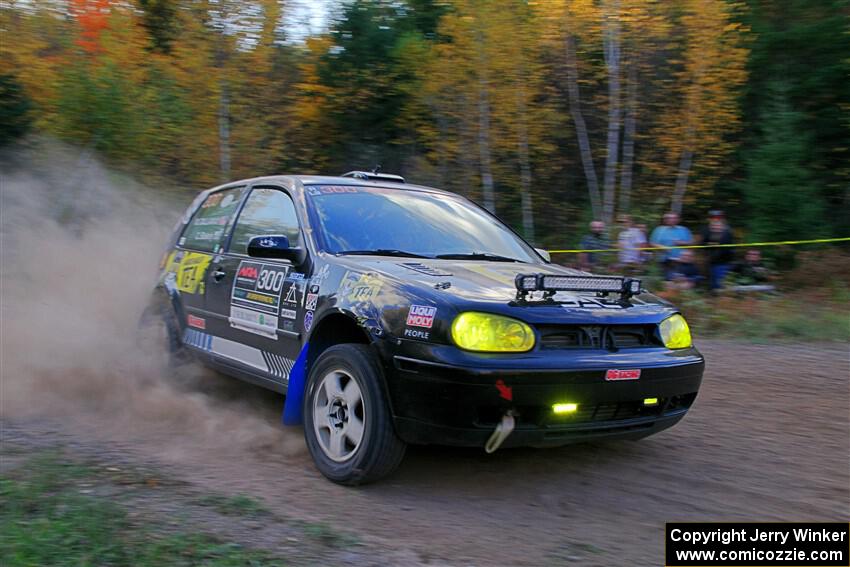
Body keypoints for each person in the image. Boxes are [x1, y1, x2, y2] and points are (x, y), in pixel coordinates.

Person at [701, 210, 734, 290]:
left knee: (720, 282)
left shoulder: (727, 230)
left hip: (723, 261)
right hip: (711, 260)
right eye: (713, 217)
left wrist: (716, 245)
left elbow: (727, 246)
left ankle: (721, 297)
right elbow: (703, 243)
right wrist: (709, 245)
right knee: (712, 282)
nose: (715, 219)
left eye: (718, 217)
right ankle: (713, 296)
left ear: (722, 218)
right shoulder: (707, 229)